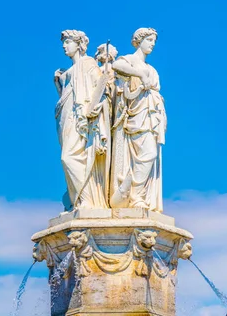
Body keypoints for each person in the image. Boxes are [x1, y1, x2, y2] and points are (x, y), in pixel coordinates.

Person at [109, 28, 166, 212]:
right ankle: (135, 196)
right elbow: (116, 66)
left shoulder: (153, 70)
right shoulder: (130, 60)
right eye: (149, 40)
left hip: (151, 115)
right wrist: (139, 75)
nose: (152, 44)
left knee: (150, 154)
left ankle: (139, 196)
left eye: (154, 41)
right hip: (136, 115)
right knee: (144, 154)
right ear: (139, 40)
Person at [54, 30, 110, 210]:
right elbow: (68, 96)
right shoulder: (66, 72)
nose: (64, 46)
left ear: (79, 44)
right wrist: (59, 83)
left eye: (68, 42)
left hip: (81, 117)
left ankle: (87, 200)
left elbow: (100, 88)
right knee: (70, 156)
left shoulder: (88, 64)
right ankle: (76, 201)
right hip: (67, 117)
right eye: (64, 42)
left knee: (69, 157)